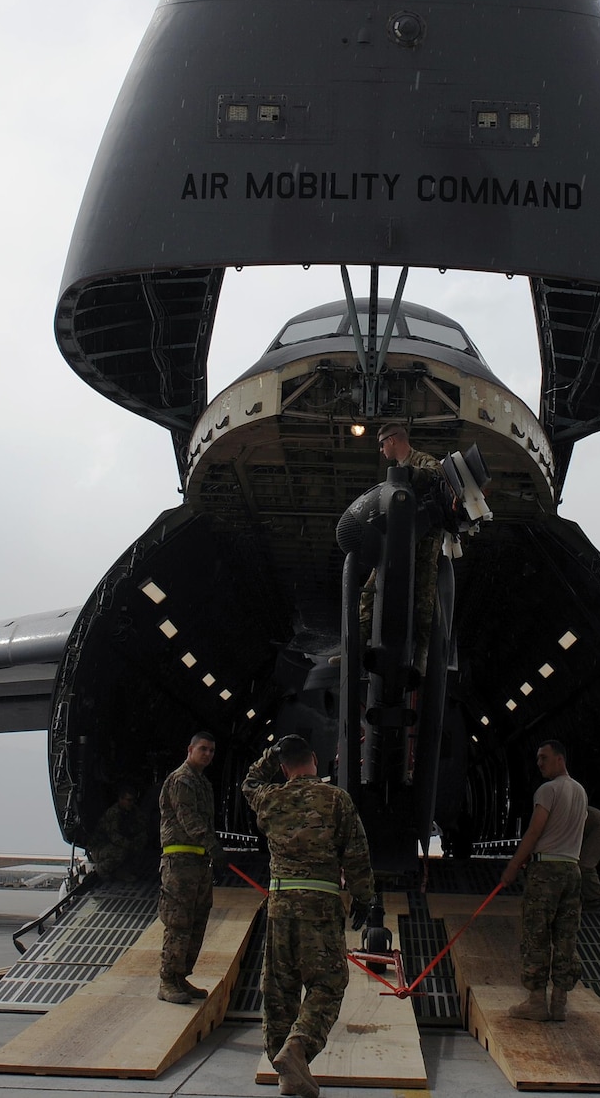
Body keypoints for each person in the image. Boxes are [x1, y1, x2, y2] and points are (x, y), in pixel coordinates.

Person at [243, 735, 375, 1098]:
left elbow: (249, 783)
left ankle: (285, 1070)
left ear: (284, 768)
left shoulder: (271, 799)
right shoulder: (336, 799)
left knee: (279, 988)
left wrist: (271, 752)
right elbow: (357, 853)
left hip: (281, 903)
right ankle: (298, 1048)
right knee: (328, 983)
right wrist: (365, 897)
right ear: (315, 760)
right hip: (321, 902)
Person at [498, 739, 587, 1021]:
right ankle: (559, 1002)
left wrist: (513, 866)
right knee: (565, 937)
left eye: (544, 758)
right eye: (538, 758)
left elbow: (535, 832)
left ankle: (537, 1001)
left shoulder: (548, 790)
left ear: (560, 759)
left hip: (546, 871)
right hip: (572, 870)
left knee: (536, 935)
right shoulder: (581, 792)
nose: (539, 763)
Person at [357, 422, 445, 673]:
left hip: (425, 538)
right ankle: (357, 647)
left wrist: (413, 476)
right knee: (369, 591)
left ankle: (421, 657)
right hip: (397, 541)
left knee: (423, 600)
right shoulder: (396, 471)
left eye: (382, 444)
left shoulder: (422, 461)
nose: (381, 450)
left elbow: (437, 475)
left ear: (393, 441)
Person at [157, 732, 225, 1004]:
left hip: (198, 863)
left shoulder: (203, 783)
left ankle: (181, 976)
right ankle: (167, 980)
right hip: (180, 863)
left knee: (197, 920)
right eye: (203, 749)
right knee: (178, 922)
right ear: (190, 749)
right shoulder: (182, 780)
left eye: (211, 751)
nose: (207, 754)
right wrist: (213, 845)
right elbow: (189, 818)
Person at [85, 783, 152, 882]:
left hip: (115, 843)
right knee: (120, 852)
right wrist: (131, 845)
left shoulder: (132, 811)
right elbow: (114, 837)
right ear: (121, 799)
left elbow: (143, 823)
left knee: (141, 839)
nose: (131, 803)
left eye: (133, 800)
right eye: (128, 800)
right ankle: (101, 869)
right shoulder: (113, 813)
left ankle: (123, 870)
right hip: (99, 847)